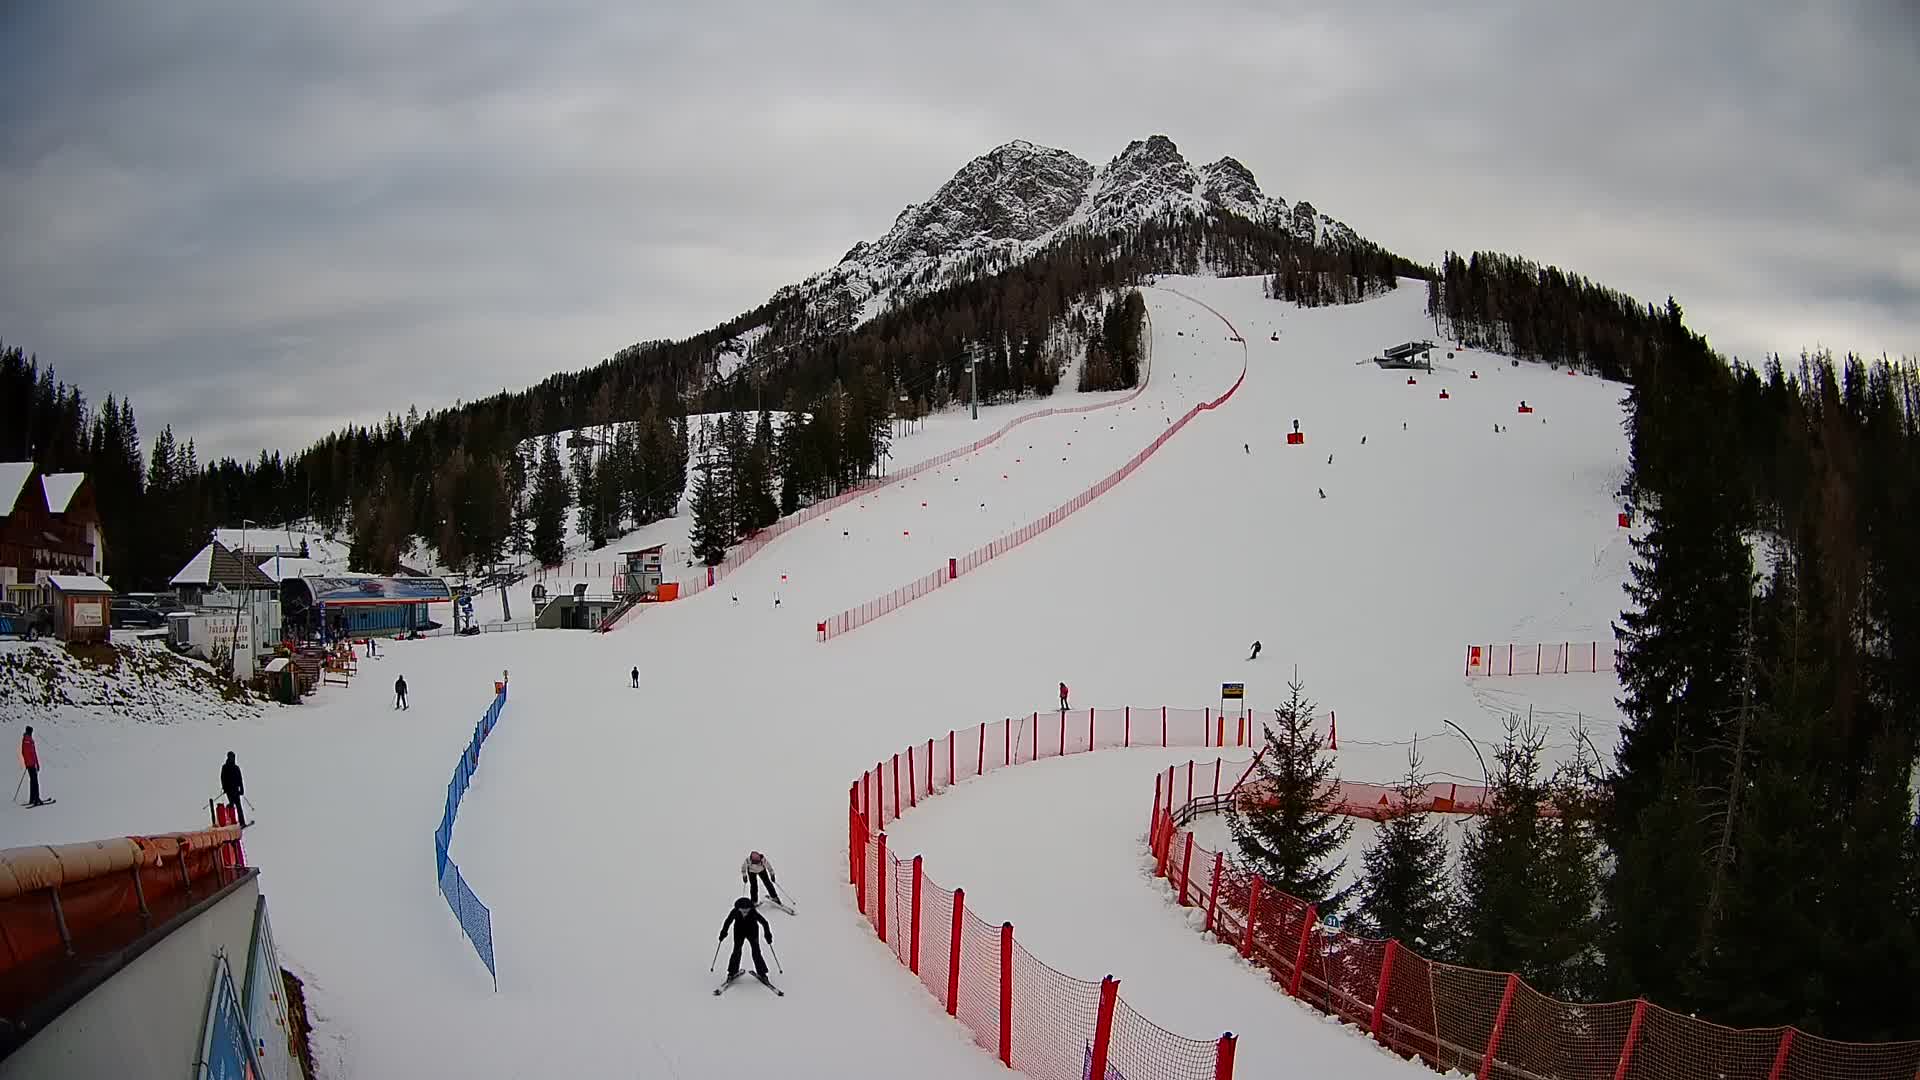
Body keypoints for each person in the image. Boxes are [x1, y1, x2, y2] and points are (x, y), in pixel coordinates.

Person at [718, 896, 773, 982]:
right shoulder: (735, 911)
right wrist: (723, 933)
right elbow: (728, 922)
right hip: (739, 932)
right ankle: (732, 973)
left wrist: (768, 935)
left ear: (750, 908)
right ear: (738, 908)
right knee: (736, 951)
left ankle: (762, 974)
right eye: (742, 909)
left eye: (747, 909)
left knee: (756, 951)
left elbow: (765, 923)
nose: (745, 911)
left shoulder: (753, 912)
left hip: (752, 932)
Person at [221, 751, 246, 827]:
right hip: (229, 790)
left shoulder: (236, 768)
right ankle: (232, 821)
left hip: (235, 790)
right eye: (231, 757)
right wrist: (225, 787)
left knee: (238, 806)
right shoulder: (225, 767)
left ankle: (242, 823)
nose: (233, 758)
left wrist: (242, 789)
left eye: (233, 757)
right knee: (232, 805)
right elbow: (223, 778)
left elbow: (240, 779)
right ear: (228, 757)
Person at [20, 726, 42, 807]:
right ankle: (36, 799)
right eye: (31, 732)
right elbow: (27, 753)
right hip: (31, 764)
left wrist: (37, 764)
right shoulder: (27, 741)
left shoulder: (29, 740)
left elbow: (33, 753)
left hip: (31, 764)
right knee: (35, 782)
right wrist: (31, 763)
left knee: (33, 781)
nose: (31, 733)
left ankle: (32, 798)